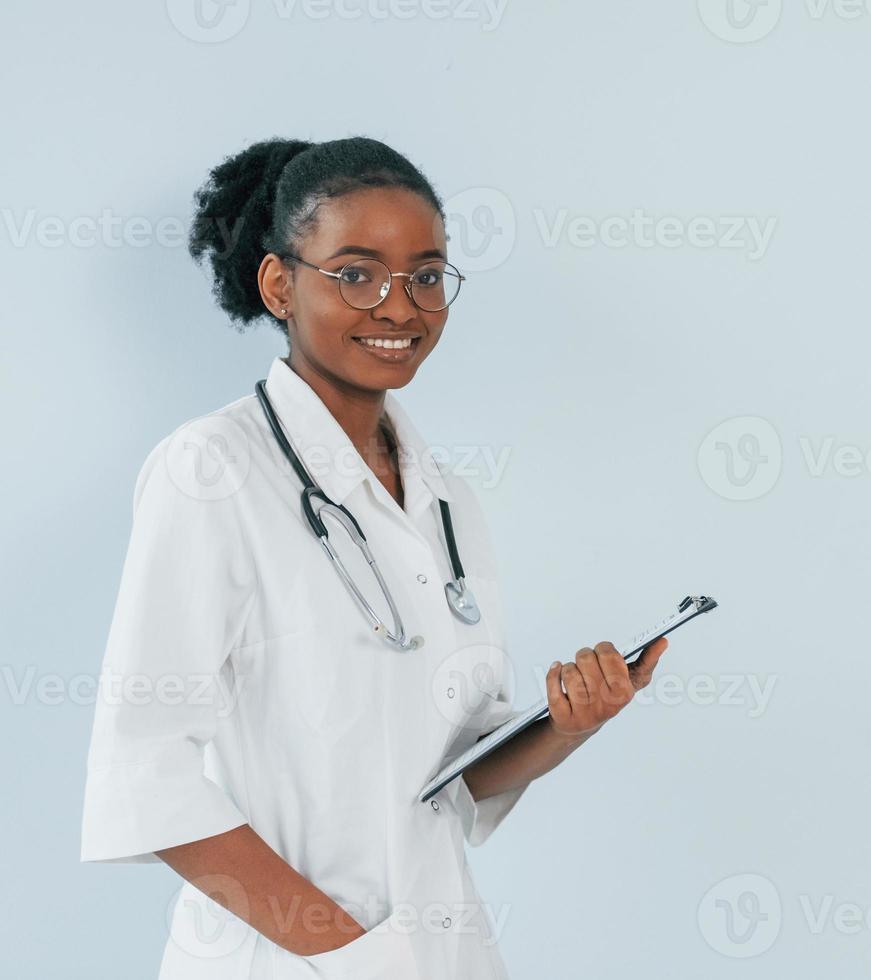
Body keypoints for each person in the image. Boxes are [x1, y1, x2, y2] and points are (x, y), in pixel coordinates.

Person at [79, 135, 670, 979]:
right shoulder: (210, 470)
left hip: (441, 950)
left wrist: (568, 726)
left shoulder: (444, 497)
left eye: (426, 275)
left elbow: (452, 773)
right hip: (288, 959)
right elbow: (145, 771)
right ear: (280, 283)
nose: (400, 306)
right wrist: (349, 955)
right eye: (356, 273)